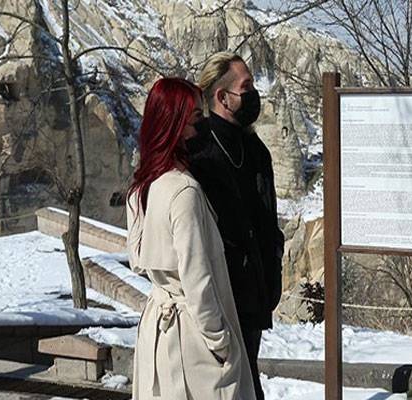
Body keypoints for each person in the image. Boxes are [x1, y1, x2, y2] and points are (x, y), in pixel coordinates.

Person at [126, 77, 256, 400]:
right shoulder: (183, 191)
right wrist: (222, 343)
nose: (201, 129)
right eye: (196, 119)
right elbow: (198, 281)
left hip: (156, 329)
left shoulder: (142, 187)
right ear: (176, 125)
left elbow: (137, 260)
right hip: (189, 338)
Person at [185, 52, 284, 400]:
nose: (254, 95)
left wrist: (271, 275)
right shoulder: (197, 152)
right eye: (247, 87)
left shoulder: (255, 150)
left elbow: (267, 222)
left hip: (254, 296)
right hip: (220, 297)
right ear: (222, 97)